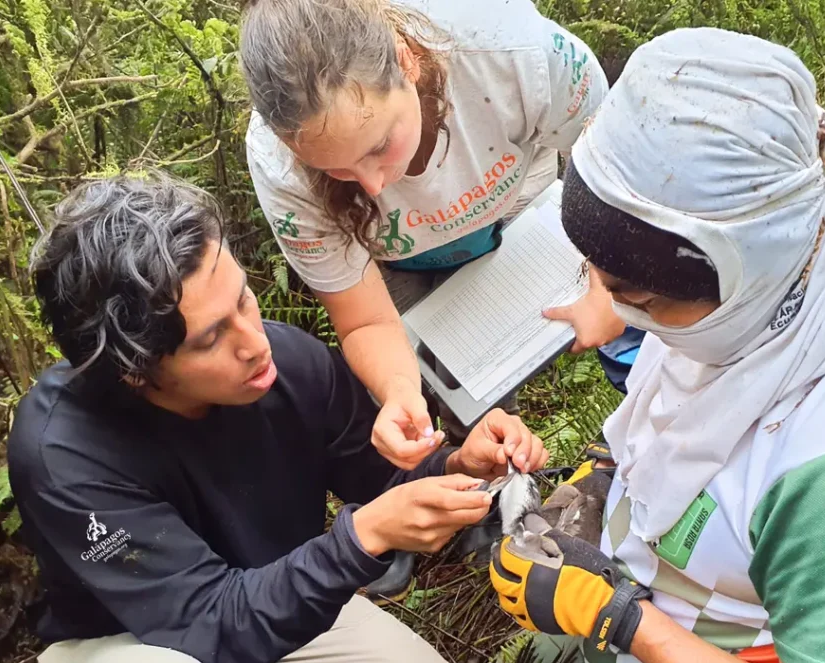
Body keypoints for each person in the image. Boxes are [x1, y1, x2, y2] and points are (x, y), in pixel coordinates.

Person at [488, 27, 825, 663]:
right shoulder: (767, 298)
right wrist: (606, 477)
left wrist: (622, 619)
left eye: (634, 297)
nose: (612, 309)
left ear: (741, 273)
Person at [6, 172, 549, 663]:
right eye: (211, 337)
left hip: (273, 587)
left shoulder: (284, 362)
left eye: (243, 297)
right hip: (136, 638)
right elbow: (206, 626)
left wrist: (456, 464)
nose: (254, 341)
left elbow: (379, 478)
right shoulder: (63, 451)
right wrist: (362, 539)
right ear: (135, 371)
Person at [239, 0, 618, 468]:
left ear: (406, 60)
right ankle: (486, 499)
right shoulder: (278, 165)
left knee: (618, 321)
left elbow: (617, 182)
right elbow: (365, 321)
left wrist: (608, 286)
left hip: (519, 213)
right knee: (449, 386)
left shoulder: (512, 50)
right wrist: (400, 392)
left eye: (379, 146)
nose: (375, 186)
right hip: (398, 258)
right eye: (334, 169)